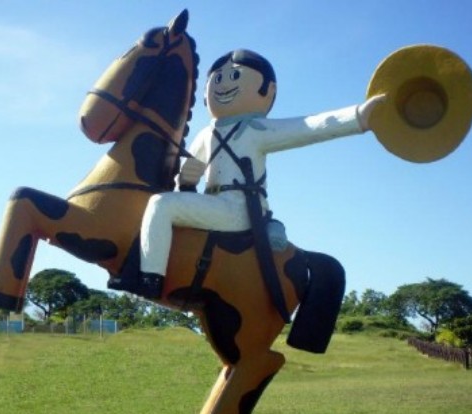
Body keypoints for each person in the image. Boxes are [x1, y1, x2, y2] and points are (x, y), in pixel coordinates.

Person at [112, 49, 383, 299]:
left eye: (234, 76)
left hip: (239, 208)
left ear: (269, 90)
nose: (223, 84)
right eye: (216, 78)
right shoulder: (207, 134)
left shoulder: (257, 130)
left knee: (161, 204)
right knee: (162, 204)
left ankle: (150, 280)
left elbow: (308, 127)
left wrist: (359, 116)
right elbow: (186, 178)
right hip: (212, 203)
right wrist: (186, 179)